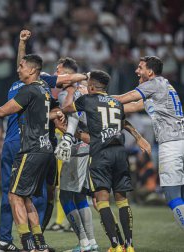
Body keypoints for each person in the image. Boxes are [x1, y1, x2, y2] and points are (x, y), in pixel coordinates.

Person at [58, 70, 149, 252]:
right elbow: (123, 123)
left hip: (101, 154)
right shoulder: (116, 102)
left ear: (91, 86)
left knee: (102, 201)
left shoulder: (87, 100)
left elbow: (66, 109)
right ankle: (129, 246)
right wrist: (138, 137)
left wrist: (73, 92)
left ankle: (116, 245)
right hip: (120, 153)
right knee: (122, 200)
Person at [0, 54, 53, 252]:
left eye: (22, 66)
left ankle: (26, 243)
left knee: (14, 195)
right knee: (27, 197)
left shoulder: (29, 89)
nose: (18, 69)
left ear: (32, 70)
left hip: (30, 148)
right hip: (44, 148)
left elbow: (1, 112)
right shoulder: (45, 90)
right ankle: (39, 244)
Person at [114, 56, 184, 231]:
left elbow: (124, 98)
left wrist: (95, 96)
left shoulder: (153, 84)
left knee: (172, 195)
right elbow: (131, 107)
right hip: (178, 141)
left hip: (171, 144)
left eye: (140, 67)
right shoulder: (162, 86)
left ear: (150, 72)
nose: (137, 71)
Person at [53, 57, 99, 252]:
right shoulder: (86, 89)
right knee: (80, 196)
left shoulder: (69, 93)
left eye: (59, 70)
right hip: (87, 147)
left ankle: (83, 242)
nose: (56, 74)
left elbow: (71, 114)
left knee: (65, 196)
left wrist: (66, 136)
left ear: (68, 74)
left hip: (75, 148)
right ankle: (91, 242)